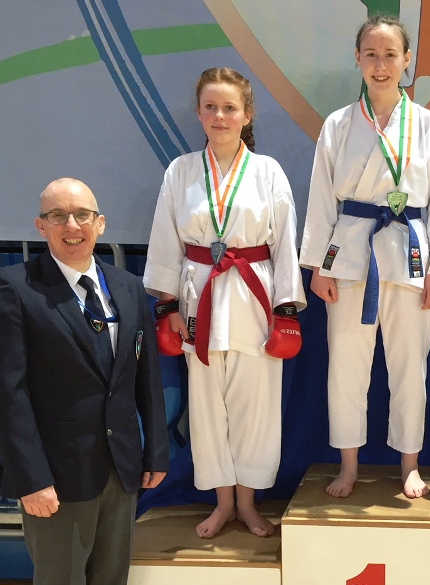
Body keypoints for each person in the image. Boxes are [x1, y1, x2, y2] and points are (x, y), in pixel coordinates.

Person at [0, 178, 169, 585]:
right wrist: (30, 477)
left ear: (100, 223)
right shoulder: (14, 289)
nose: (72, 225)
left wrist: (155, 449)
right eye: (58, 216)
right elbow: (5, 397)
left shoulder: (126, 287)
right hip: (54, 475)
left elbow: (144, 379)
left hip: (120, 466)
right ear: (41, 227)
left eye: (82, 214)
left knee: (109, 576)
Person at [299, 14, 430, 499]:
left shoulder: (428, 125)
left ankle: (409, 464)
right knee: (346, 367)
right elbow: (321, 199)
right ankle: (348, 464)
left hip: (410, 253)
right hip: (351, 253)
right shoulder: (338, 124)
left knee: (411, 367)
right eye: (371, 54)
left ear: (407, 60)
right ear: (357, 59)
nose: (380, 64)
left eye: (390, 55)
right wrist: (318, 266)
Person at [143, 67, 305, 539]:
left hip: (254, 296)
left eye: (230, 108)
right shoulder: (180, 171)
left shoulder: (267, 171)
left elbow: (285, 242)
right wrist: (168, 307)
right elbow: (165, 241)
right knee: (208, 407)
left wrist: (285, 310)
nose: (220, 116)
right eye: (211, 107)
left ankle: (249, 504)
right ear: (198, 113)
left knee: (256, 407)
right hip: (200, 297)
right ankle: (223, 503)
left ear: (247, 115)